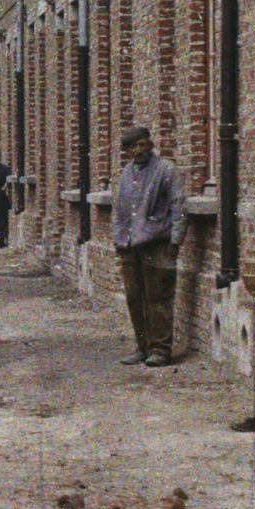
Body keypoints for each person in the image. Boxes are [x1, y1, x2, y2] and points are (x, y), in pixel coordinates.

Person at [113, 125, 186, 368]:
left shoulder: (166, 170)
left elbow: (179, 206)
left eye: (144, 144)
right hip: (130, 246)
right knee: (135, 297)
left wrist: (175, 241)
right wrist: (119, 238)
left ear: (151, 145)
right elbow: (120, 209)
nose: (139, 150)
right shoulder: (126, 172)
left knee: (159, 297)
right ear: (128, 151)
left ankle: (160, 350)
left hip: (158, 244)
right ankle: (142, 347)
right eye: (134, 146)